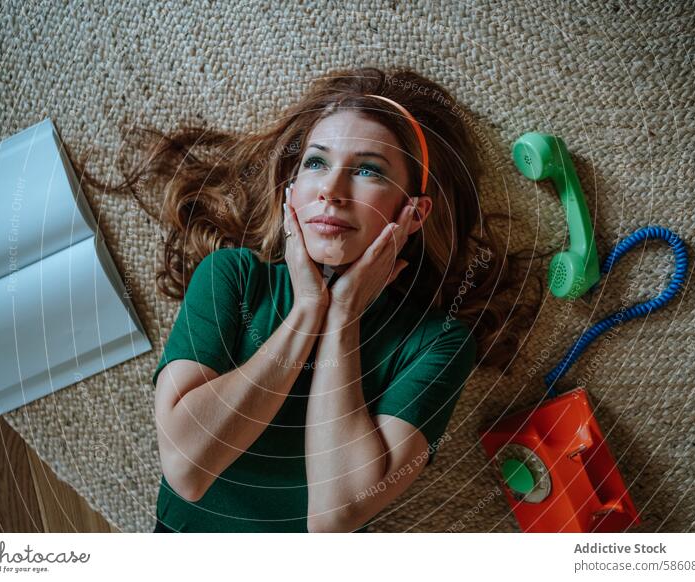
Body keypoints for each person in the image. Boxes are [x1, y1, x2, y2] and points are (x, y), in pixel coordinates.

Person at [75, 66, 540, 532]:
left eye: (368, 171)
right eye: (316, 163)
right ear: (291, 191)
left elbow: (333, 517)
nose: (331, 192)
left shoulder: (437, 344)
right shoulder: (232, 278)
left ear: (413, 213)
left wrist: (342, 317)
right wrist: (306, 313)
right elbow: (186, 471)